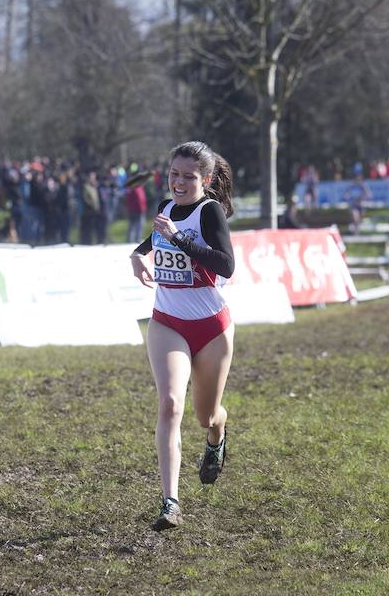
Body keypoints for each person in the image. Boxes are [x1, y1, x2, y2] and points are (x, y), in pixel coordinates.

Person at [130, 141, 236, 531]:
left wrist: (179, 238)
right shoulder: (165, 209)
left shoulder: (210, 213)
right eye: (174, 174)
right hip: (168, 322)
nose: (178, 182)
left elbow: (226, 265)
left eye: (188, 177)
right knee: (170, 403)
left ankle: (217, 434)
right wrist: (137, 256)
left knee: (205, 414)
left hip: (211, 328)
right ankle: (170, 502)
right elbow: (153, 241)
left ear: (205, 180)